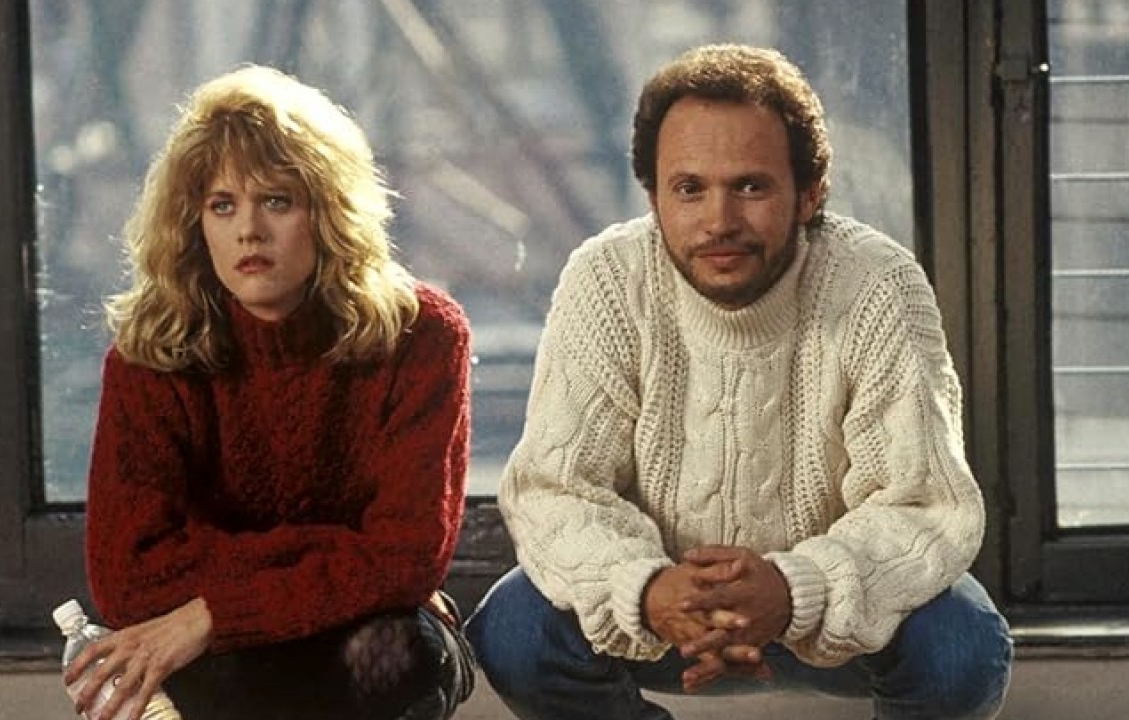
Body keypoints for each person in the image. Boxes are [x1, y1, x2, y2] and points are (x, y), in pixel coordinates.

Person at [463, 44, 1012, 720]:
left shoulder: (877, 284)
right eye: (689, 189)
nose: (719, 221)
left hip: (831, 612)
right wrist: (647, 589)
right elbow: (555, 490)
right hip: (660, 611)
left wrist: (793, 588)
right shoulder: (605, 279)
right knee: (515, 628)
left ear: (809, 193)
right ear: (654, 196)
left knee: (963, 645)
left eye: (750, 186)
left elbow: (925, 504)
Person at [65, 65, 476, 720]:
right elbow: (128, 576)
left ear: (328, 212)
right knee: (198, 669)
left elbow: (405, 556)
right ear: (194, 223)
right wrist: (341, 556)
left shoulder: (421, 335)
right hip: (231, 656)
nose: (248, 231)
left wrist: (210, 612)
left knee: (400, 651)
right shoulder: (150, 355)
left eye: (277, 201)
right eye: (222, 205)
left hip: (362, 638)